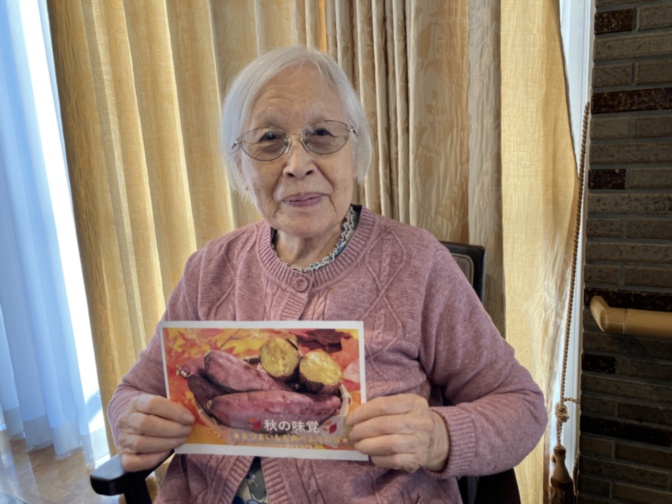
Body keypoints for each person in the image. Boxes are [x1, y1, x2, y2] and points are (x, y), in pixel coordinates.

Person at [109, 45, 547, 503]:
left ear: (356, 150)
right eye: (268, 139)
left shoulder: (418, 265)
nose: (298, 165)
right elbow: (134, 391)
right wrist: (134, 420)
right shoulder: (210, 268)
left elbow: (522, 406)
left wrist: (439, 438)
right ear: (239, 165)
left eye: (321, 133)